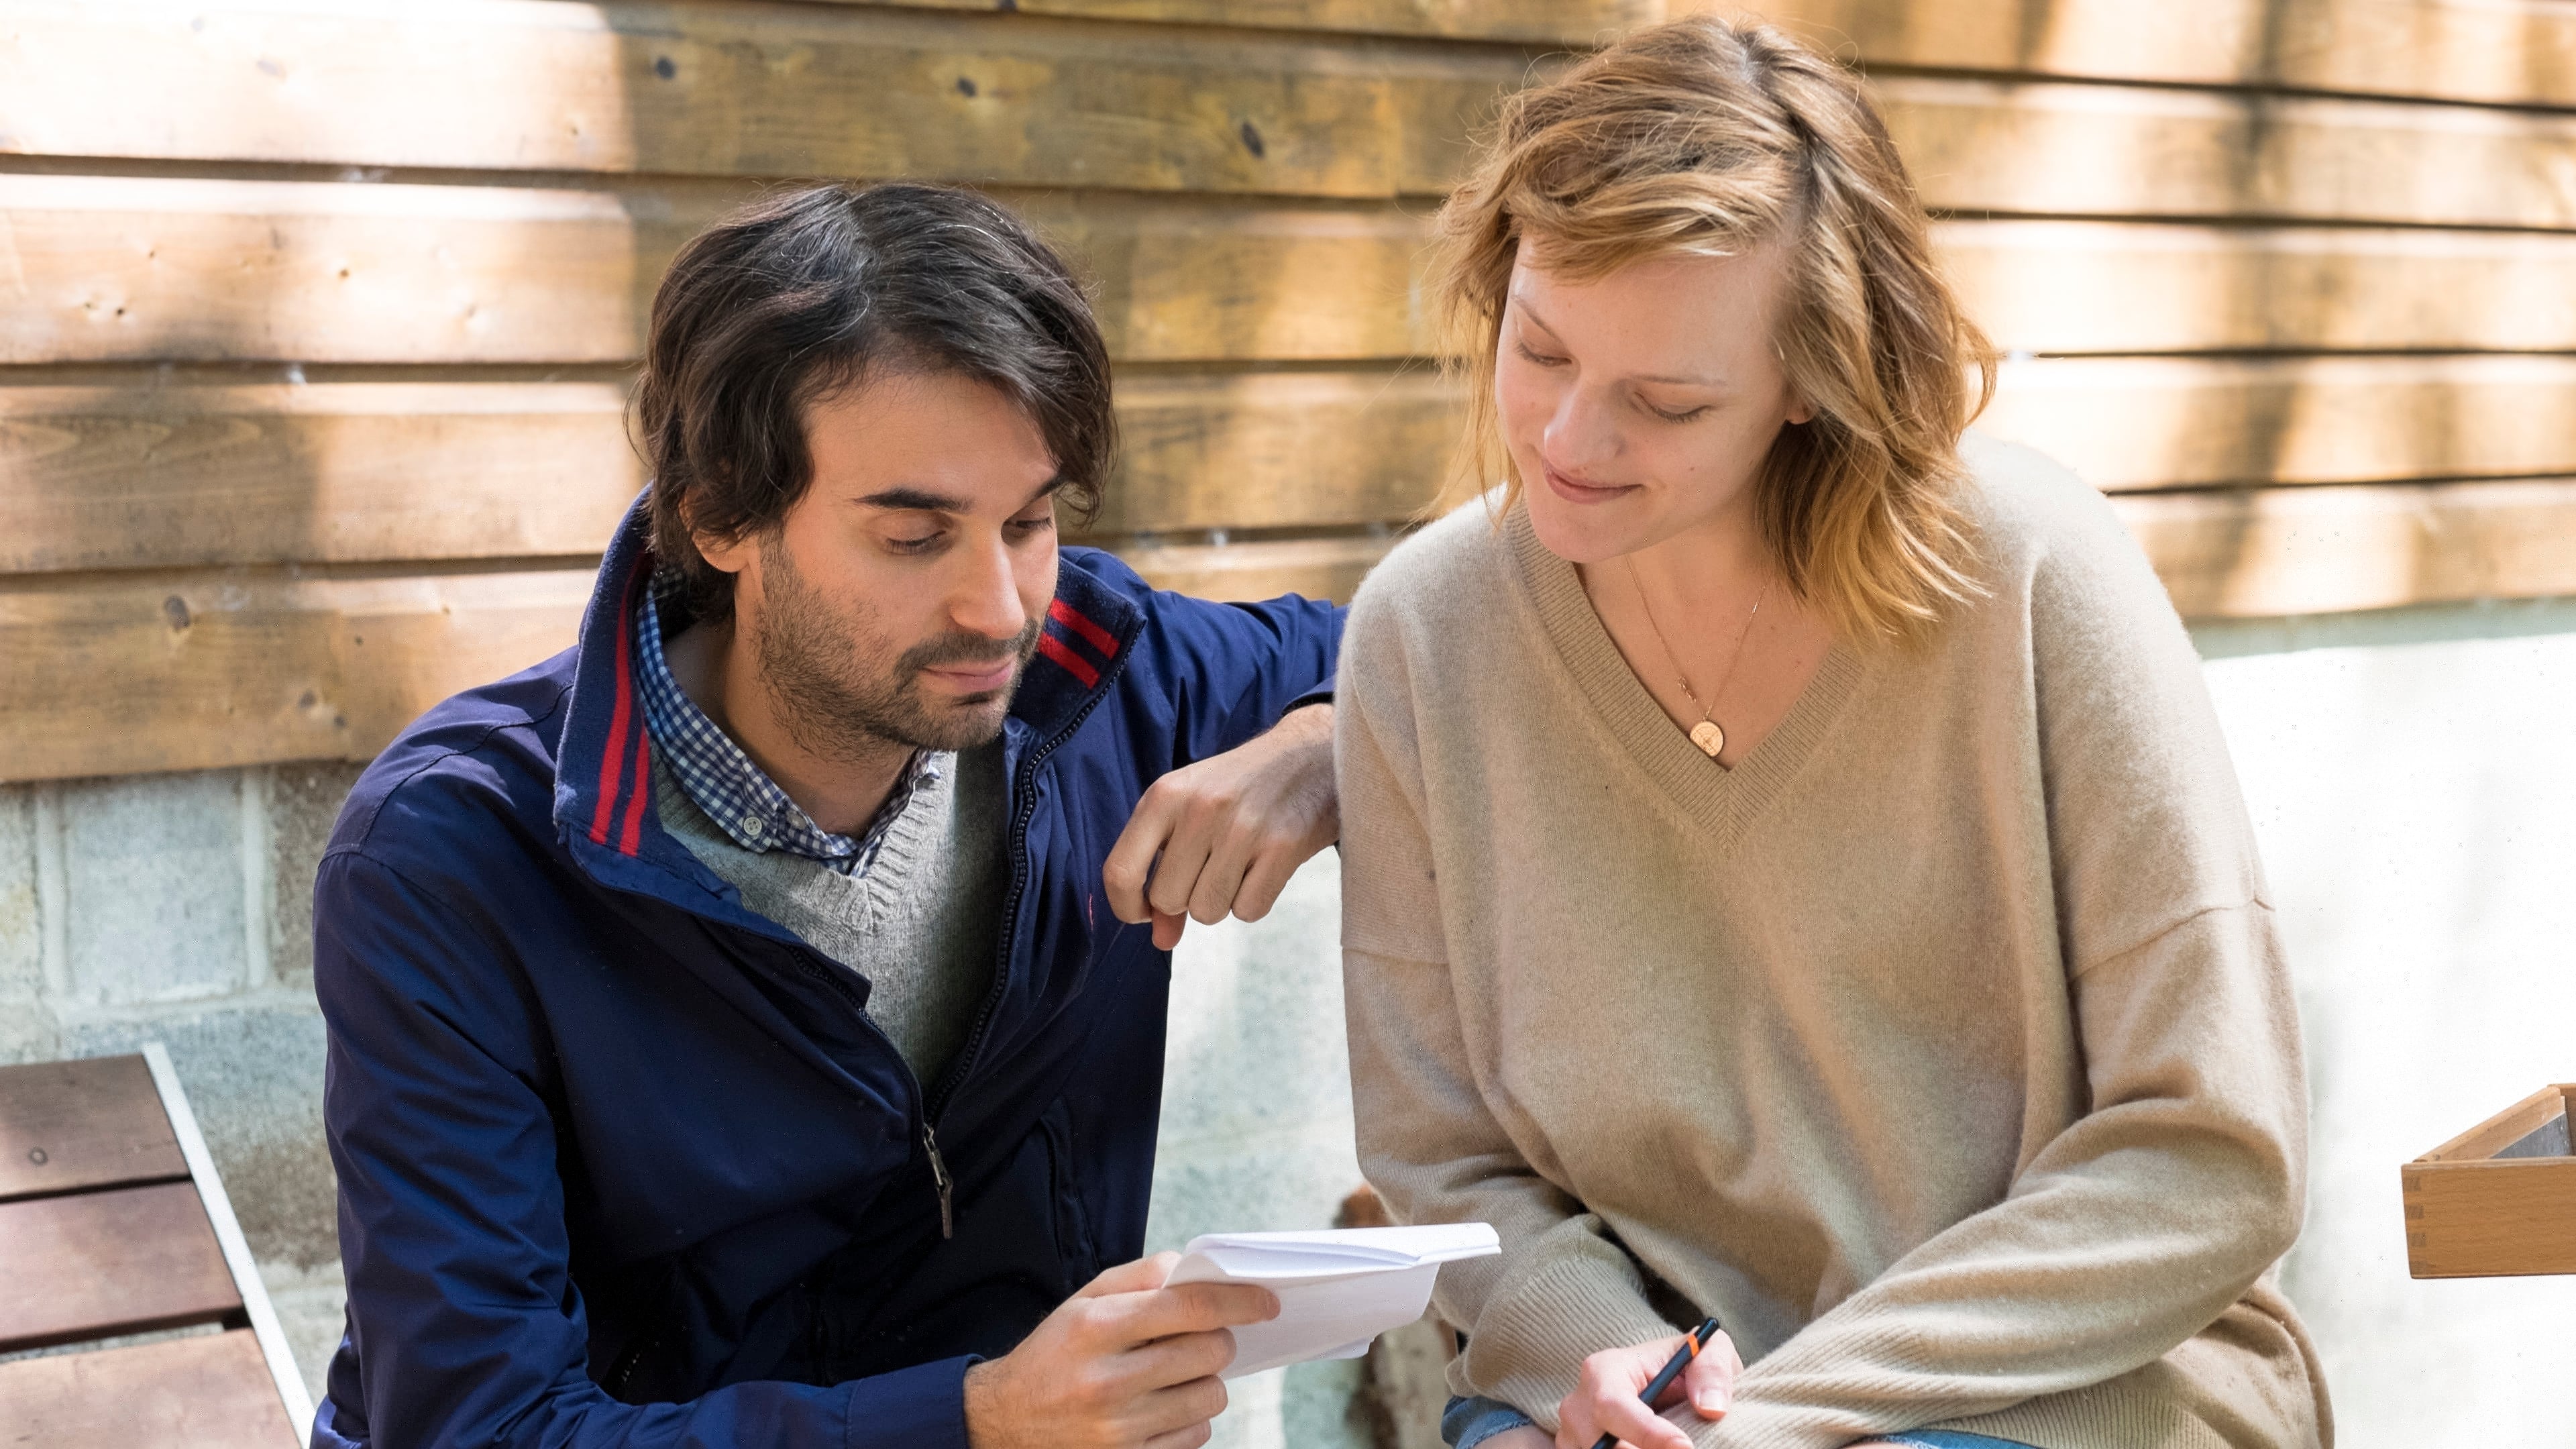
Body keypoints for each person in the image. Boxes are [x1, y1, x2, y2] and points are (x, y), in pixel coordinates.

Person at [1335, 18, 2328, 1449]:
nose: (1566, 438)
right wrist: (1626, 1375)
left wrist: (1773, 1421)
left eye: (1665, 401)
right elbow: (1446, 1163)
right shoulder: (1422, 635)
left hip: (2056, 1391)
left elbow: (2213, 1156)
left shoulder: (2031, 573)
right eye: (1539, 348)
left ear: (1812, 380)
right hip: (1621, 1403)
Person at [309, 182, 1346, 1449]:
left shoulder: (1093, 670)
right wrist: (978, 1421)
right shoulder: (453, 856)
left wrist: (1328, 744)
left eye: (1028, 522)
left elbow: (1441, 647)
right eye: (914, 537)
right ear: (721, 519)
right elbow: (478, 1428)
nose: (1001, 608)